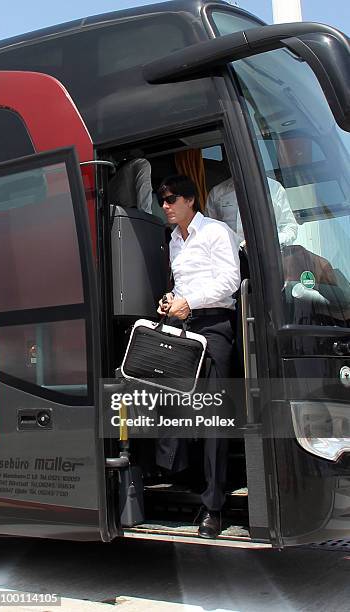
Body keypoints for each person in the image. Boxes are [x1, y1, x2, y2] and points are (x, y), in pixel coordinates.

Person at [156, 175, 241, 539]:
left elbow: (230, 281)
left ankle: (214, 508)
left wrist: (190, 301)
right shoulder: (174, 240)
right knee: (176, 404)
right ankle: (183, 478)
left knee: (213, 417)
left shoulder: (217, 231)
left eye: (172, 198)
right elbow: (182, 286)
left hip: (215, 326)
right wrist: (171, 299)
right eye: (163, 199)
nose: (165, 205)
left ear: (191, 199)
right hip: (185, 326)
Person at [205, 175, 297, 247]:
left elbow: (290, 227)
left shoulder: (274, 189)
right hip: (230, 260)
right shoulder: (217, 193)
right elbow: (209, 232)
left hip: (268, 260)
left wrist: (271, 242)